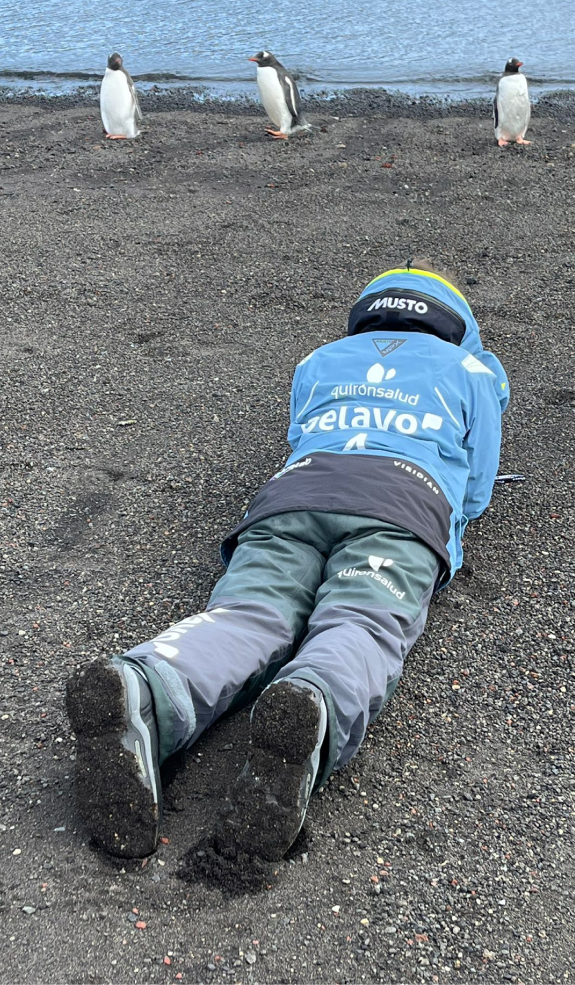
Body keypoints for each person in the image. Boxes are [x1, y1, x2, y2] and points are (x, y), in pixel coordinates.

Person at [66, 260, 510, 861]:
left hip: (292, 497)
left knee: (246, 615)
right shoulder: (472, 368)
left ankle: (144, 684)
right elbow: (477, 488)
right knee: (360, 622)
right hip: (401, 504)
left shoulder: (319, 360)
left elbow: (300, 435)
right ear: (457, 325)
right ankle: (314, 699)